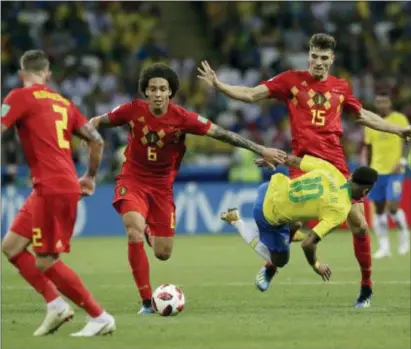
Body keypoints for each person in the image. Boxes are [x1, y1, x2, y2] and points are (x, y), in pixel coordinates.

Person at [197, 33, 411, 308]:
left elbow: (362, 116)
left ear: (332, 59)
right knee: (291, 223)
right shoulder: (290, 80)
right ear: (308, 55)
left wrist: (397, 130)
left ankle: (366, 287)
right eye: (314, 56)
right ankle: (272, 265)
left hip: (335, 164)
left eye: (324, 58)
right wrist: (219, 85)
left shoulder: (340, 87)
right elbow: (252, 94)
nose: (318, 62)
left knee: (360, 225)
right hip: (304, 162)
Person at [88, 62, 287, 314]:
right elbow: (97, 120)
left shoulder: (183, 118)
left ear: (170, 92)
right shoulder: (132, 110)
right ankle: (147, 302)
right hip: (132, 180)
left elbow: (222, 134)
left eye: (163, 88)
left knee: (163, 253)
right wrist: (88, 132)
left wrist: (261, 149)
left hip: (162, 187)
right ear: (145, 92)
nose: (158, 93)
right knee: (133, 232)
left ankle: (150, 229)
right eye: (153, 89)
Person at [1, 50, 115, 337]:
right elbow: (97, 140)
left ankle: (99, 316)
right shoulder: (64, 102)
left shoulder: (18, 96)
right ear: (47, 74)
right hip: (52, 184)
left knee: (45, 260)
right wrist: (89, 176)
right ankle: (55, 304)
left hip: (52, 187)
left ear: (21, 73)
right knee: (12, 246)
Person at [221, 155, 378, 291]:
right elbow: (308, 244)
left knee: (297, 220)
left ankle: (292, 231)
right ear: (365, 192)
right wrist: (316, 265)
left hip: (269, 187)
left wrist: (274, 159)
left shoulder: (331, 169)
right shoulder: (340, 210)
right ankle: (236, 221)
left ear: (351, 176)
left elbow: (293, 160)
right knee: (279, 261)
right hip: (267, 215)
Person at [362, 91, 410, 258]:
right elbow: (368, 148)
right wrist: (367, 170)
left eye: (385, 102)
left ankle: (404, 241)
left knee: (393, 207)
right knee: (379, 210)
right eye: (379, 102)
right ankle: (384, 247)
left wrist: (403, 161)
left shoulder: (400, 119)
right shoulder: (371, 122)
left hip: (395, 171)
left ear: (390, 103)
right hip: (376, 172)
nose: (382, 105)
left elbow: (407, 141)